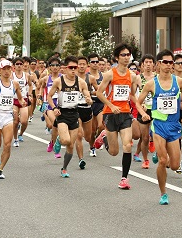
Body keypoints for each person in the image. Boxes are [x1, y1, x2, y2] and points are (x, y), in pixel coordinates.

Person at [136, 49, 182, 205]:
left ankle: (180, 162)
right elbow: (138, 102)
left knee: (173, 165)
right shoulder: (152, 83)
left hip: (174, 125)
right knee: (162, 161)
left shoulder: (179, 82)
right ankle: (163, 193)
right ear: (158, 64)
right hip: (158, 125)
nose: (168, 65)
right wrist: (144, 114)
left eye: (171, 62)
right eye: (165, 62)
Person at [95, 43, 139, 189]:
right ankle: (104, 137)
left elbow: (131, 94)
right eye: (123, 55)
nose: (126, 58)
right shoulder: (110, 74)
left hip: (125, 113)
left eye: (128, 55)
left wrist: (139, 104)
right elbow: (99, 93)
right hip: (110, 113)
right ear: (116, 57)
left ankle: (124, 179)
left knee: (128, 145)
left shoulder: (132, 76)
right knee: (114, 152)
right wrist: (112, 105)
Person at [47, 56, 93, 178]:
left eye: (75, 67)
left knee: (70, 145)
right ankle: (58, 139)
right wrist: (54, 108)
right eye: (71, 67)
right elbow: (49, 96)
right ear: (65, 68)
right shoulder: (59, 81)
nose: (73, 70)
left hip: (74, 114)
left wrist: (88, 100)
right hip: (62, 114)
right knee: (65, 140)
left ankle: (64, 168)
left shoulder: (81, 82)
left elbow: (87, 96)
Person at [133, 54, 156, 168]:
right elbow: (132, 94)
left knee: (157, 135)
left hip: (156, 110)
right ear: (142, 65)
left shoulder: (157, 77)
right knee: (145, 137)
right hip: (143, 111)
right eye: (146, 62)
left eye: (150, 62)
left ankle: (141, 152)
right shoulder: (138, 78)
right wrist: (139, 103)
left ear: (154, 64)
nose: (148, 64)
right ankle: (145, 160)